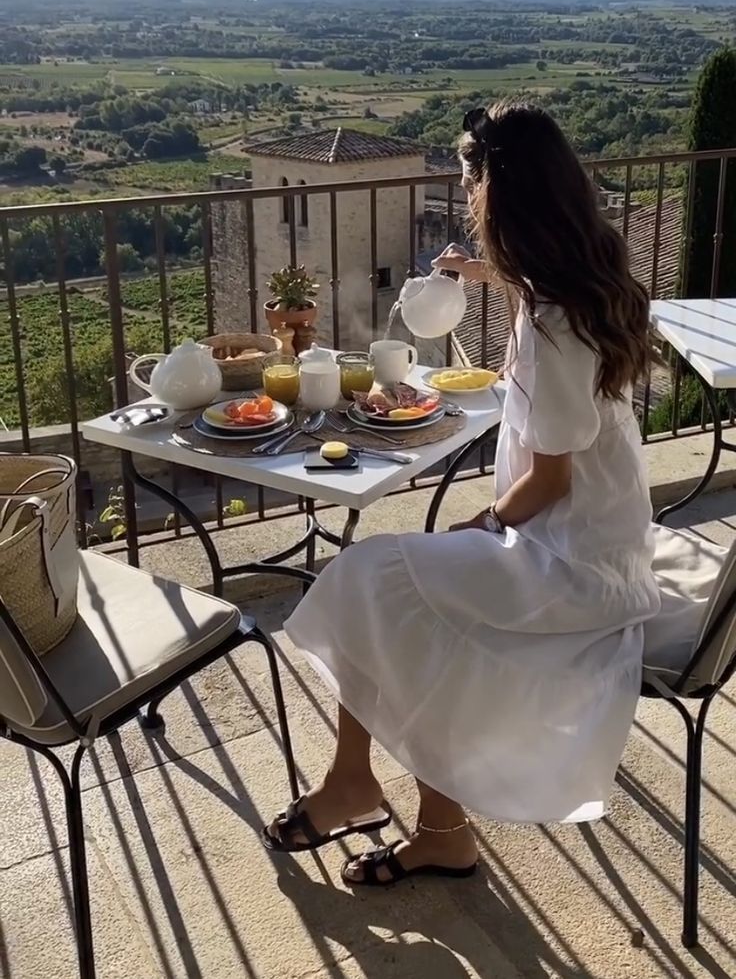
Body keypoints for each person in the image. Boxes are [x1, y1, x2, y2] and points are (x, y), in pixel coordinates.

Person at [263, 99, 661, 888]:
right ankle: (412, 814)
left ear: (498, 198)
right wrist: (489, 274)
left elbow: (551, 478)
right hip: (590, 539)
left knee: (376, 583)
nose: (467, 198)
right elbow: (545, 349)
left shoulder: (554, 328)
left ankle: (376, 795)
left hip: (574, 564)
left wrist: (484, 522)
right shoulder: (576, 288)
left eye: (472, 183)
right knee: (389, 594)